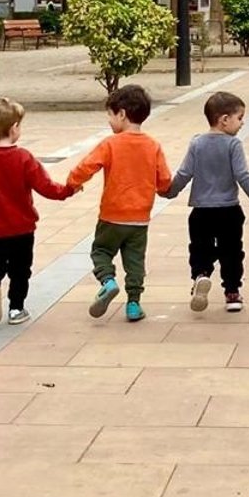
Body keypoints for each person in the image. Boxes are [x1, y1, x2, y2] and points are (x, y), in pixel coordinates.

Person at [0, 96, 72, 325]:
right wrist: (68, 190)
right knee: (20, 270)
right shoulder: (23, 157)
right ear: (14, 129)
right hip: (21, 228)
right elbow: (46, 186)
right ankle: (16, 308)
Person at [68, 84, 172, 322]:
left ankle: (108, 281)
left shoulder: (110, 144)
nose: (109, 120)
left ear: (122, 114)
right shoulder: (153, 145)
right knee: (135, 261)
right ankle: (133, 304)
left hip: (112, 215)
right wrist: (164, 190)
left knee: (101, 251)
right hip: (140, 218)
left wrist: (73, 182)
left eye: (110, 114)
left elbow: (86, 166)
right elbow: (164, 179)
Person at [166, 90, 249, 314]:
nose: (242, 122)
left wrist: (170, 192)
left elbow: (184, 173)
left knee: (200, 248)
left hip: (201, 211)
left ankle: (201, 276)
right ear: (224, 119)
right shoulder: (233, 144)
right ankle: (232, 292)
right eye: (240, 117)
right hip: (229, 210)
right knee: (232, 251)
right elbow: (242, 175)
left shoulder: (196, 143)